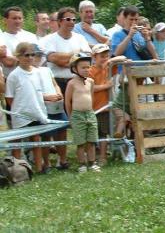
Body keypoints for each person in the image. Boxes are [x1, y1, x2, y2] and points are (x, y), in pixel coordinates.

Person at [4, 42, 49, 172]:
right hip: (20, 114)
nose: (29, 58)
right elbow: (9, 97)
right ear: (18, 56)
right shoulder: (14, 75)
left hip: (36, 111)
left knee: (36, 139)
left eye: (32, 55)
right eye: (26, 55)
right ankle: (18, 169)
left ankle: (39, 167)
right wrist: (18, 111)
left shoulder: (37, 72)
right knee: (18, 142)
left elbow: (40, 92)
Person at [30, 45, 67, 173]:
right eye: (35, 55)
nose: (38, 58)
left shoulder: (46, 70)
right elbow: (32, 92)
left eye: (40, 55)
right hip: (43, 106)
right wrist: (47, 97)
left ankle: (62, 159)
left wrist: (58, 92)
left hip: (56, 105)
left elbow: (54, 83)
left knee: (62, 131)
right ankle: (46, 163)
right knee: (45, 136)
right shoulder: (29, 72)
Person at [89, 43, 126, 165]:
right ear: (94, 57)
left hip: (109, 105)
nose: (105, 58)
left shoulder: (109, 67)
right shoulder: (90, 71)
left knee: (116, 128)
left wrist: (110, 61)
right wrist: (106, 86)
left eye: (106, 55)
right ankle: (102, 156)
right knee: (102, 133)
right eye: (102, 56)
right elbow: (90, 87)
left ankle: (119, 152)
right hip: (98, 107)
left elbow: (123, 58)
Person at [42, 7, 92, 96]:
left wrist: (62, 62)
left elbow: (87, 59)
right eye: (68, 19)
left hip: (76, 82)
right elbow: (53, 58)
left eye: (74, 20)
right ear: (60, 21)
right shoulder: (49, 39)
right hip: (56, 83)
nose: (72, 22)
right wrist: (75, 55)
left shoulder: (80, 38)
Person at [65, 53, 101, 173]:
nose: (86, 70)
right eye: (83, 67)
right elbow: (67, 102)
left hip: (90, 113)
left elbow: (91, 96)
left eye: (88, 67)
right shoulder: (72, 83)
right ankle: (81, 164)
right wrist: (71, 117)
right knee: (80, 142)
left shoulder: (90, 81)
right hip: (77, 115)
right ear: (75, 69)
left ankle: (92, 163)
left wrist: (91, 110)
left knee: (91, 140)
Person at [2, 6, 38, 76]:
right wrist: (29, 60)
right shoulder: (1, 38)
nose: (18, 21)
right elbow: (8, 62)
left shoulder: (31, 36)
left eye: (20, 18)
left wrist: (18, 59)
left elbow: (38, 59)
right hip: (11, 79)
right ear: (5, 20)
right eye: (14, 18)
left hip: (32, 77)